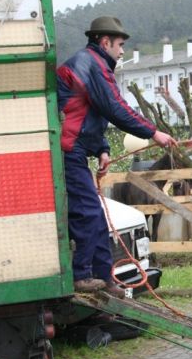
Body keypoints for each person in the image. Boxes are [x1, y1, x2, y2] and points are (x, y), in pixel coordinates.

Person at [57, 16, 177, 296]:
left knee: (96, 215)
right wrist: (153, 133)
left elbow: (90, 112)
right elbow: (114, 107)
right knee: (88, 212)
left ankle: (104, 280)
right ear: (105, 42)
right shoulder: (91, 64)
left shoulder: (90, 65)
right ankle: (81, 276)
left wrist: (102, 149)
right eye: (120, 45)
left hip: (74, 148)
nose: (122, 51)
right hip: (68, 151)